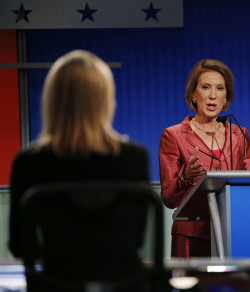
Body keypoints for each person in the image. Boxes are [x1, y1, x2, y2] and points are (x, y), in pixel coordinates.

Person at [8, 50, 150, 278]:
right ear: (105, 101)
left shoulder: (29, 162)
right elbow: (136, 239)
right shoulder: (134, 158)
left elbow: (20, 245)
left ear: (52, 102)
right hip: (122, 286)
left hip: (57, 286)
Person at [159, 59, 250, 258]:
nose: (213, 95)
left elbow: (249, 179)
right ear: (193, 94)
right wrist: (186, 176)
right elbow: (168, 198)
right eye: (206, 87)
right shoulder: (173, 135)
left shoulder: (240, 134)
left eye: (220, 88)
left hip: (234, 234)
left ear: (226, 98)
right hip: (191, 238)